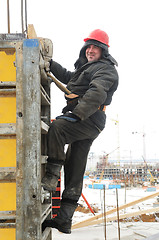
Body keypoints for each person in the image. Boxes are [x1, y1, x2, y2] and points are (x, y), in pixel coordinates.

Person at [42, 29, 119, 234]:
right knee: (76, 165)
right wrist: (51, 66)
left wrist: (78, 114)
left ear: (103, 51)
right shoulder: (87, 68)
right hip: (87, 119)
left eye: (95, 47)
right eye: (88, 46)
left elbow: (97, 92)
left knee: (58, 128)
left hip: (89, 118)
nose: (90, 50)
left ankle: (51, 175)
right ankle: (64, 220)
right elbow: (70, 78)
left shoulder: (106, 70)